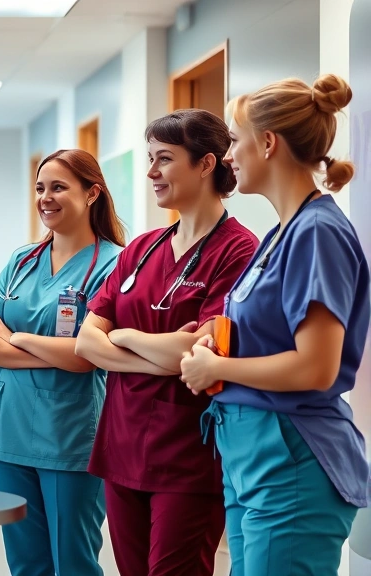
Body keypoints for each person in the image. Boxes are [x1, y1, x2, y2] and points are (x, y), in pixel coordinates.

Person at [181, 74, 368, 576]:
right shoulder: (282, 233)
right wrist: (215, 336)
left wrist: (217, 368)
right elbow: (267, 326)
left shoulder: (318, 233)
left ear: (267, 143)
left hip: (292, 458)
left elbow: (315, 368)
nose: (227, 157)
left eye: (234, 142)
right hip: (252, 457)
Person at [74, 109, 259, 576]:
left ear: (205, 164)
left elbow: (200, 353)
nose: (152, 173)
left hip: (188, 455)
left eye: (164, 159)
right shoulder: (143, 248)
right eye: (150, 159)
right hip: (122, 446)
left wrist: (124, 335)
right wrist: (160, 353)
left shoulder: (238, 251)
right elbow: (85, 343)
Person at [0, 148, 125, 576]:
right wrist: (52, 351)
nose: (46, 197)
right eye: (40, 188)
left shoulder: (113, 265)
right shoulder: (21, 262)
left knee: (73, 561)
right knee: (25, 563)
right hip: (9, 432)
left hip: (71, 436)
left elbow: (85, 357)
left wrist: (16, 338)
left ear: (92, 192)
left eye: (59, 187)